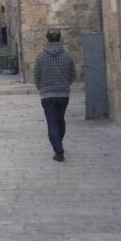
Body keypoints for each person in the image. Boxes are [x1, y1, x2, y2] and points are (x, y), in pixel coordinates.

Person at [33, 28, 76, 162]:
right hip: (63, 94)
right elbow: (73, 74)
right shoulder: (67, 56)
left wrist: (42, 88)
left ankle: (59, 150)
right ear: (60, 38)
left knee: (52, 123)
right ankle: (59, 144)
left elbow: (36, 76)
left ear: (47, 39)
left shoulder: (40, 56)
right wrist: (65, 85)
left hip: (47, 95)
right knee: (60, 120)